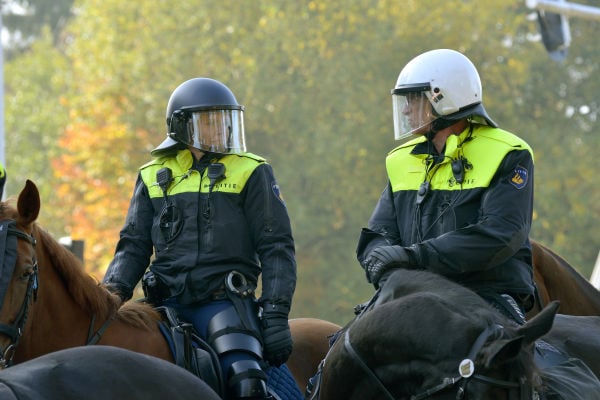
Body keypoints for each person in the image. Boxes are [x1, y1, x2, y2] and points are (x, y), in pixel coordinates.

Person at [103, 77, 297, 399]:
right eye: (210, 122)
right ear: (181, 127)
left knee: (247, 381)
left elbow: (277, 248)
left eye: (225, 120)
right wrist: (109, 297)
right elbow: (133, 245)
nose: (221, 129)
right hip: (160, 304)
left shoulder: (252, 170)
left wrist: (276, 315)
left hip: (224, 303)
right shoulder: (151, 174)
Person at [356, 49, 535, 324]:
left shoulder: (509, 152)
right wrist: (383, 264)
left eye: (414, 99)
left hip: (485, 294)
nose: (405, 109)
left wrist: (414, 258)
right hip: (409, 292)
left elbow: (501, 233)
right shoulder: (400, 160)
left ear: (444, 100)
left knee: (506, 362)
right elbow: (378, 233)